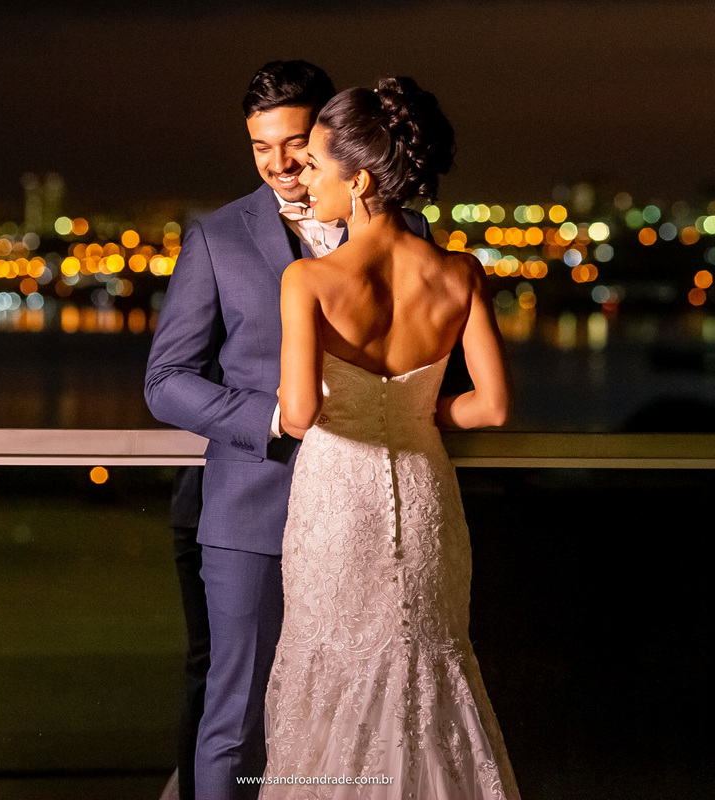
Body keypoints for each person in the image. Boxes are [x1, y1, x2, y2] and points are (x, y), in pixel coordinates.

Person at [146, 60, 433, 800]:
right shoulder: (216, 237)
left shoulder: (407, 226)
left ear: (334, 135)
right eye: (258, 146)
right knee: (234, 718)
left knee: (361, 714)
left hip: (371, 513)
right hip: (253, 511)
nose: (278, 163)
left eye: (295, 140)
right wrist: (273, 419)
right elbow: (166, 380)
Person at [263, 77, 519, 799]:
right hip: (426, 494)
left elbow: (300, 414)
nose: (301, 176)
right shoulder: (460, 274)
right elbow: (493, 406)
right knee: (427, 675)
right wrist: (426, 413)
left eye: (314, 163)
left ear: (361, 179)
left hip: (337, 501)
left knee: (330, 670)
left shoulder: (308, 280)